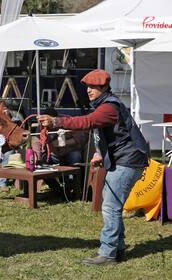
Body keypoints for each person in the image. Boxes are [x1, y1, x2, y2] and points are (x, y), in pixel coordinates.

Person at [37, 69, 149, 265]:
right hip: (125, 159)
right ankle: (118, 249)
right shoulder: (105, 105)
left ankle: (107, 253)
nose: (88, 90)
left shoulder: (108, 107)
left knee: (110, 206)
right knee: (111, 203)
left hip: (128, 160)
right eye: (87, 87)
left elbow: (87, 122)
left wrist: (56, 121)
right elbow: (113, 135)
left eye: (93, 87)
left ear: (104, 87)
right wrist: (100, 154)